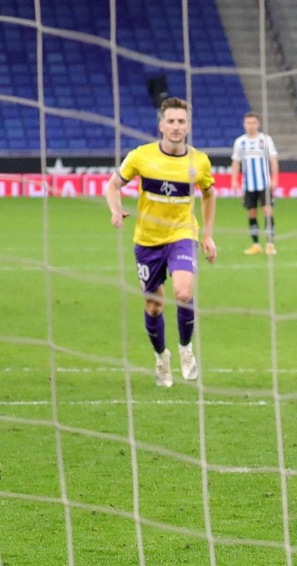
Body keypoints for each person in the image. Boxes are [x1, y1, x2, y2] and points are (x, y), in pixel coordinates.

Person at [106, 97, 219, 387]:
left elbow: (208, 194)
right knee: (154, 307)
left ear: (188, 126)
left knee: (183, 293)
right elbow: (113, 184)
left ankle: (186, 349)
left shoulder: (199, 161)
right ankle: (161, 358)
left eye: (181, 121)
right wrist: (115, 209)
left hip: (181, 234)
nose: (176, 126)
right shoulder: (141, 156)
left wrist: (206, 234)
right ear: (161, 125)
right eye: (171, 121)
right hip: (147, 241)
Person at [231, 112, 279, 255]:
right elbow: (236, 161)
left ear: (258, 124)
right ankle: (256, 244)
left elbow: (273, 159)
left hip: (264, 184)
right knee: (251, 214)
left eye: (253, 123)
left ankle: (270, 244)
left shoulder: (266, 140)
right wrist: (234, 180)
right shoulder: (240, 142)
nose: (251, 126)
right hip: (248, 185)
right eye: (248, 123)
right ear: (244, 125)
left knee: (268, 212)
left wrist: (275, 179)